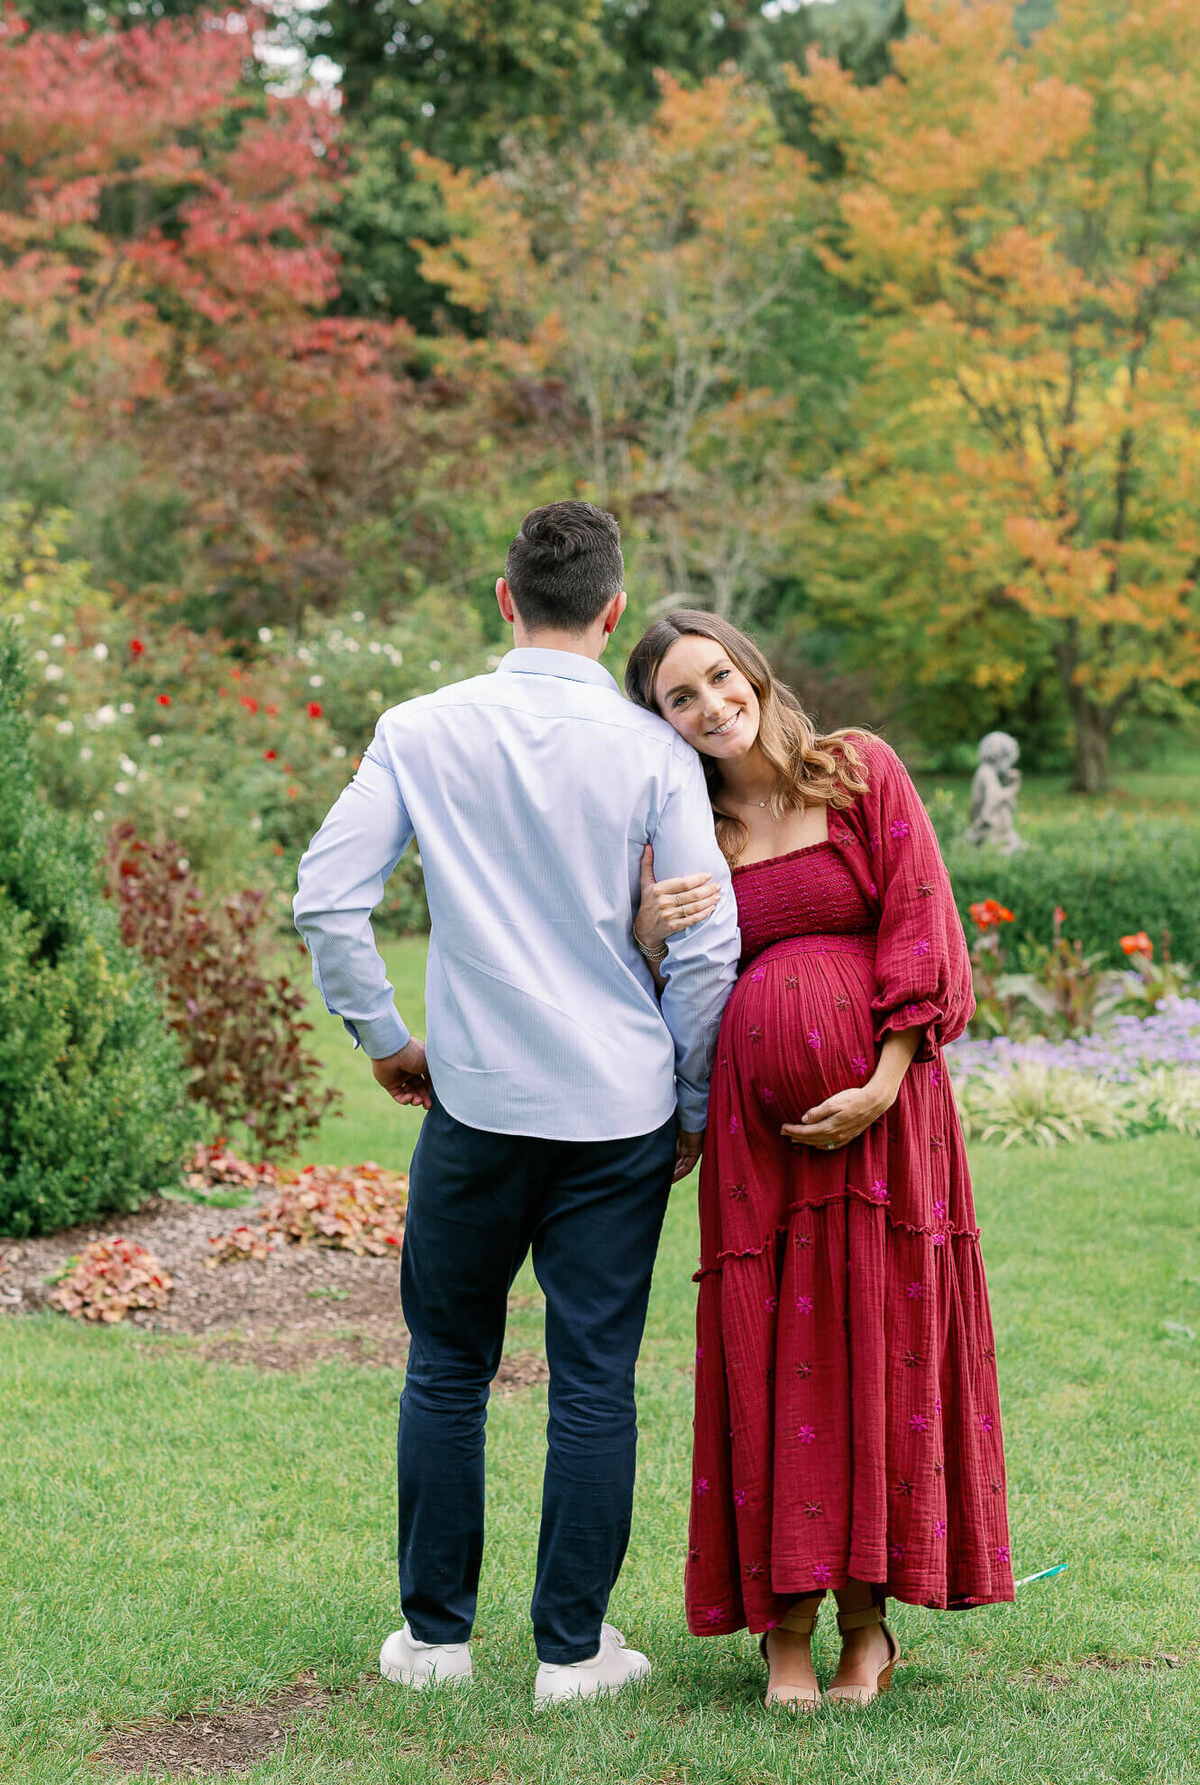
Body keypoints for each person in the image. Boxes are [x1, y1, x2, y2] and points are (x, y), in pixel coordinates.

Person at [293, 505, 740, 1708]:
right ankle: (571, 1654)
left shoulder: (421, 729)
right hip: (619, 1113)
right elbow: (707, 946)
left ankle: (434, 1644)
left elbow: (329, 901)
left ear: (503, 600)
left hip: (476, 1105)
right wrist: (692, 1103)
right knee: (593, 1378)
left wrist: (384, 1038)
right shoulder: (656, 753)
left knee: (447, 1366)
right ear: (612, 610)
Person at [625, 610, 1013, 1710]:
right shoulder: (684, 829)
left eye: (717, 678)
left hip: (888, 1125)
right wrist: (649, 925)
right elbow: (654, 981)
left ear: (751, 666)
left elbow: (921, 922)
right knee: (774, 1354)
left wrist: (882, 1084)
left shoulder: (858, 773)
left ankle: (868, 1628)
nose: (710, 706)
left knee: (878, 1344)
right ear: (660, 723)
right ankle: (782, 1624)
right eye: (678, 699)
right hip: (761, 1151)